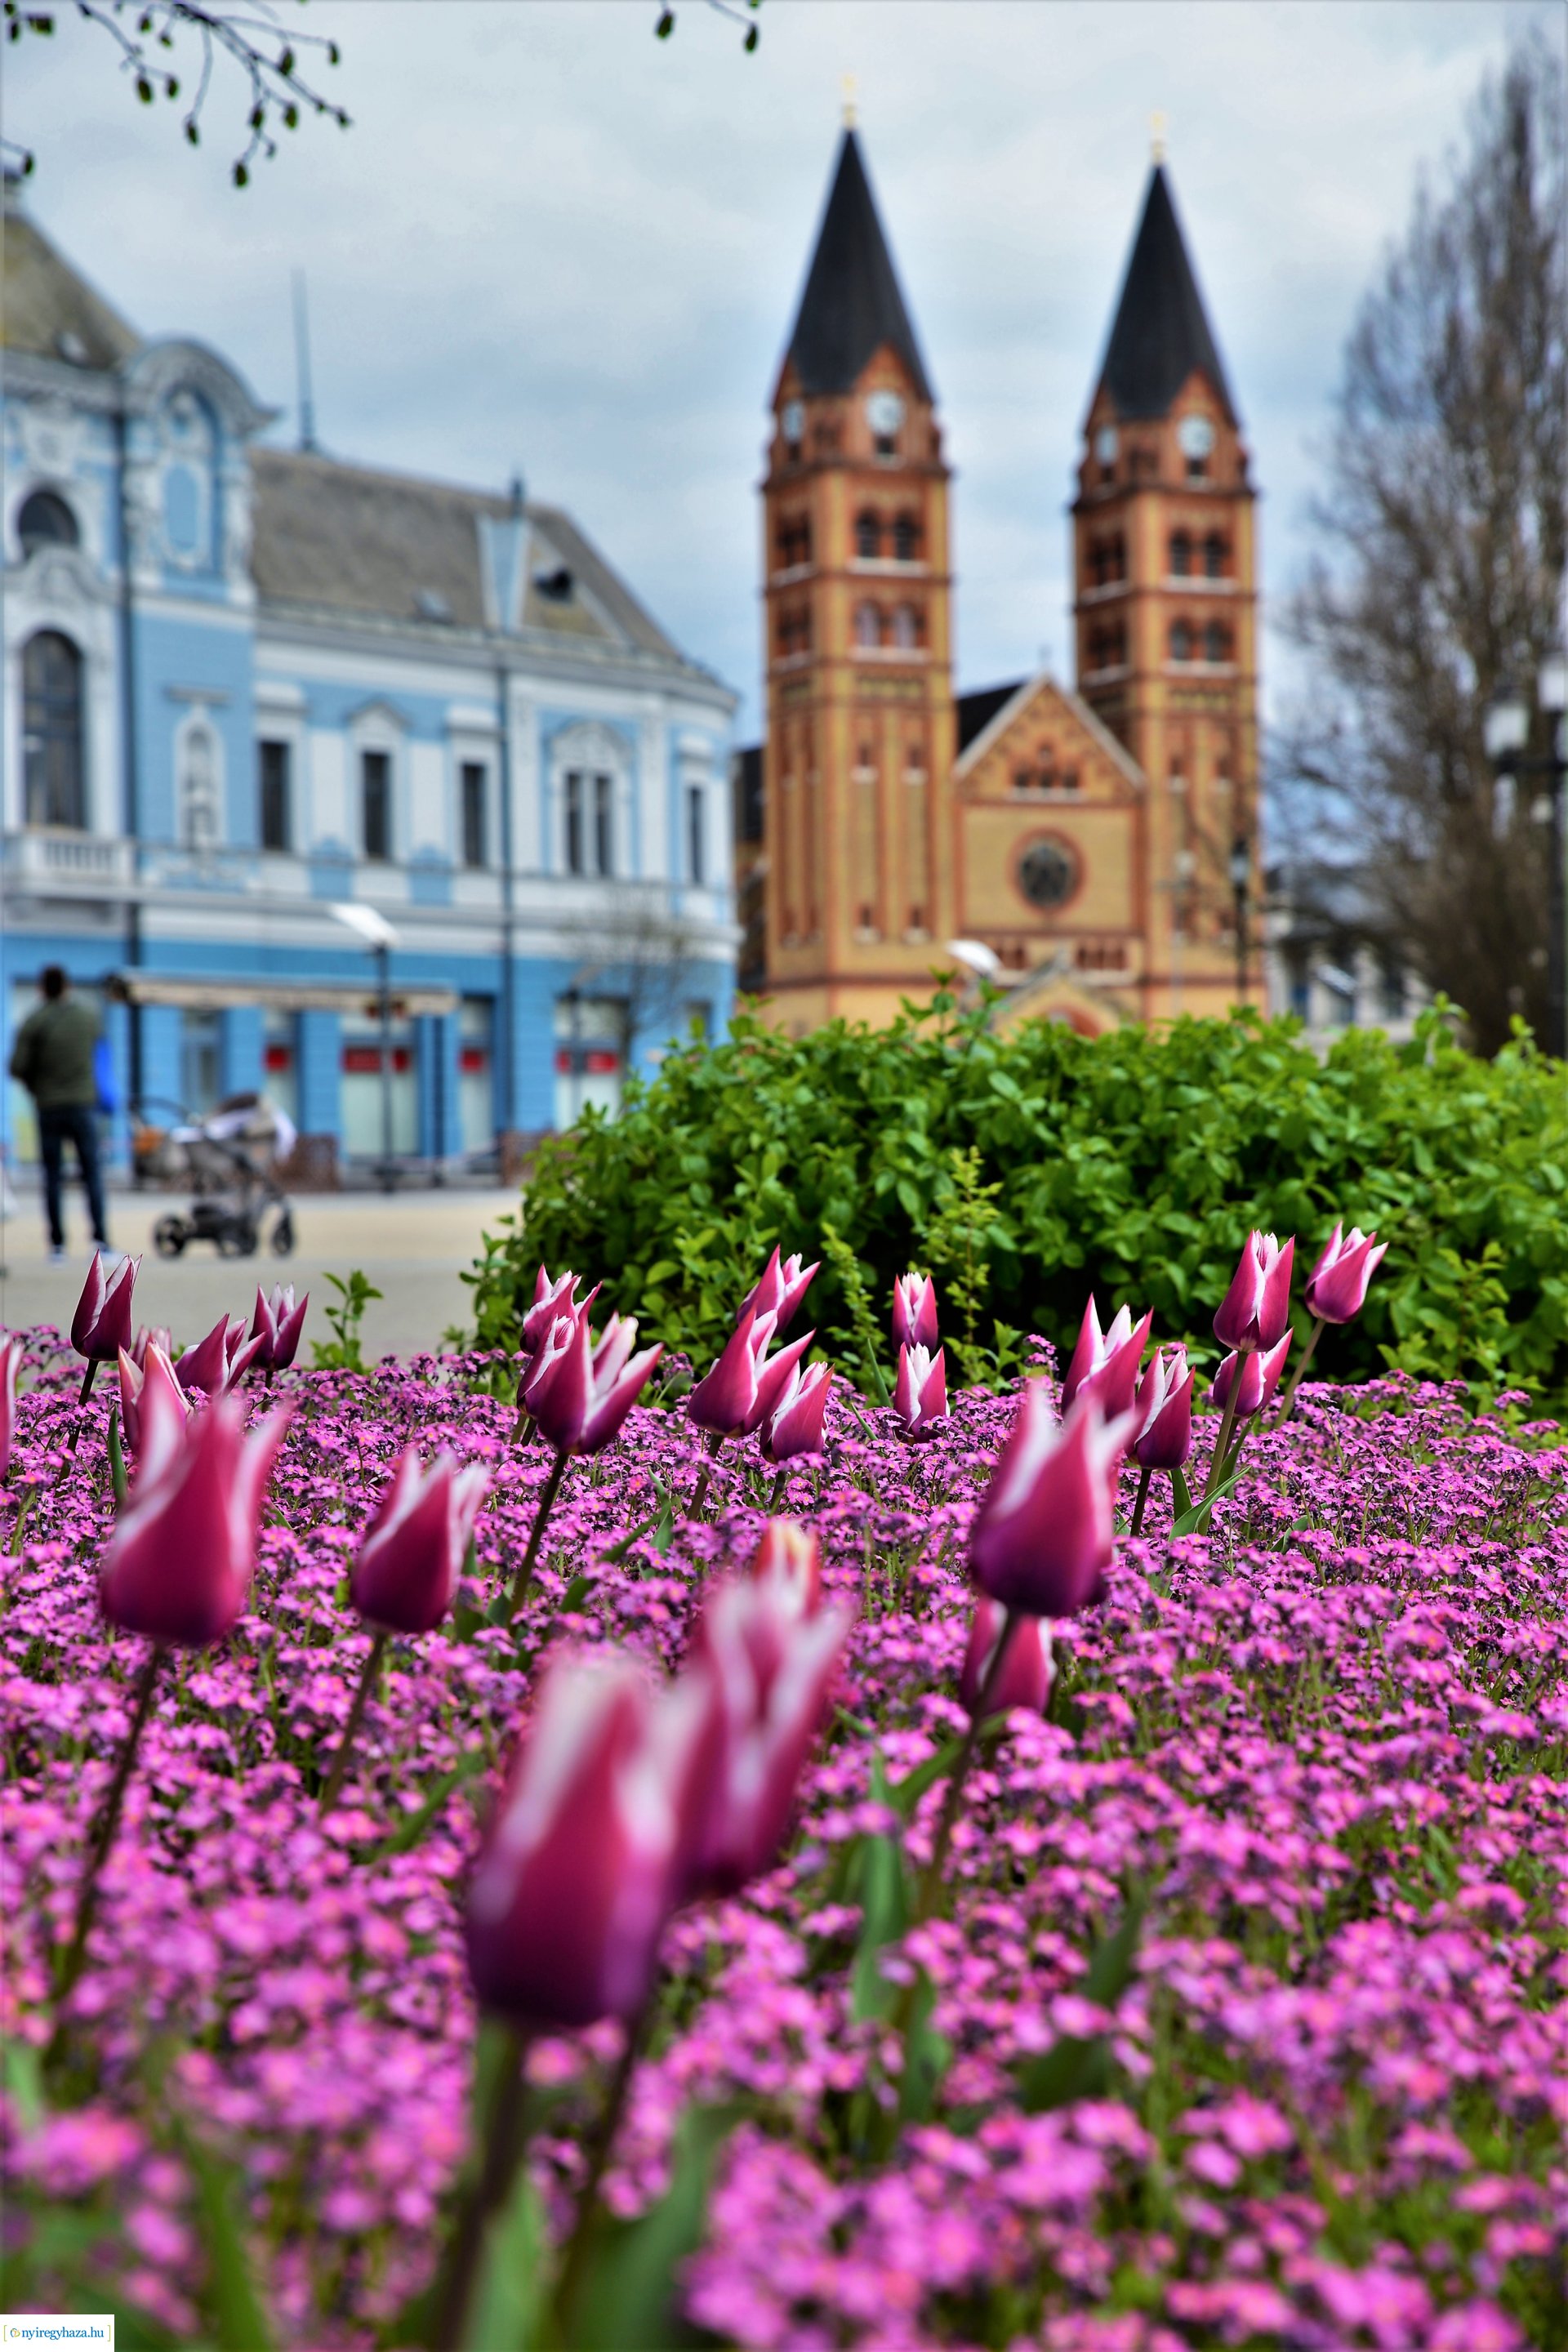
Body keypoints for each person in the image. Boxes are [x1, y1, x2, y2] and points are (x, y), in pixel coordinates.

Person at [8, 966, 110, 1260]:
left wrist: (37, 1085)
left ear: (42, 989)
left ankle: (57, 1246)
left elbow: (16, 1066)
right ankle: (101, 1241)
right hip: (83, 1105)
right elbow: (101, 1055)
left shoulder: (34, 1021)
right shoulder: (87, 1018)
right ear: (67, 987)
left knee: (52, 1176)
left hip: (49, 1106)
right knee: (92, 1173)